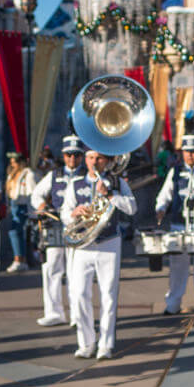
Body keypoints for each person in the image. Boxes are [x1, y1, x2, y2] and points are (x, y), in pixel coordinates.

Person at [63, 149, 136, 359]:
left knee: (109, 295)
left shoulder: (116, 181)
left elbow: (132, 207)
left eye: (99, 158)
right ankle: (86, 343)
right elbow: (65, 213)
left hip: (108, 243)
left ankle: (105, 344)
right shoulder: (75, 183)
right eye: (91, 158)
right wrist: (73, 213)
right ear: (86, 160)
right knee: (78, 294)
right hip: (83, 244)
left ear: (106, 160)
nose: (95, 161)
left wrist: (110, 195)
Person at [154, 134, 194, 316]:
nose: (190, 156)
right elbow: (165, 194)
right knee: (177, 266)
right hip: (179, 224)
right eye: (187, 152)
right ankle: (173, 303)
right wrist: (160, 208)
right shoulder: (175, 171)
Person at [29, 138, 86, 327]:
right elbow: (36, 194)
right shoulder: (55, 175)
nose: (72, 158)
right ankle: (54, 312)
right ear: (63, 156)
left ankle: (77, 315)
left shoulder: (88, 175)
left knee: (75, 272)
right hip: (54, 227)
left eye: (77, 155)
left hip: (79, 228)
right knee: (51, 269)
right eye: (69, 155)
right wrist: (42, 205)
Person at [3, 153, 34, 272]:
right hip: (14, 204)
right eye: (11, 162)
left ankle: (20, 259)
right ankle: (20, 259)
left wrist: (31, 209)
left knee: (16, 232)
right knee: (17, 232)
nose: (12, 164)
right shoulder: (12, 174)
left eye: (15, 161)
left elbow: (32, 191)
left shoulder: (28, 174)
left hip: (23, 205)